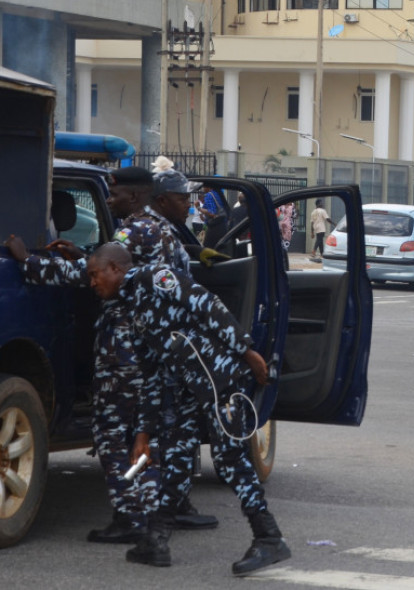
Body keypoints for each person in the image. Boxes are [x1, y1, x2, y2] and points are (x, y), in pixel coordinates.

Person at [5, 167, 215, 545]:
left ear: (134, 197)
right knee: (146, 434)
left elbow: (90, 277)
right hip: (156, 349)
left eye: (113, 195)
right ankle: (154, 516)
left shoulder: (133, 230)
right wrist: (85, 253)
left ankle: (131, 519)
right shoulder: (164, 232)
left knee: (114, 434)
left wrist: (27, 261)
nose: (109, 201)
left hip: (125, 351)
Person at [85, 243, 290, 575]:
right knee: (177, 461)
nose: (92, 283)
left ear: (115, 269)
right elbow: (150, 376)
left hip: (217, 379)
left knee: (229, 461)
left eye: (95, 275)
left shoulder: (154, 278)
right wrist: (143, 433)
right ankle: (156, 540)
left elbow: (207, 304)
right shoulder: (132, 312)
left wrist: (246, 349)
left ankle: (269, 538)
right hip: (183, 392)